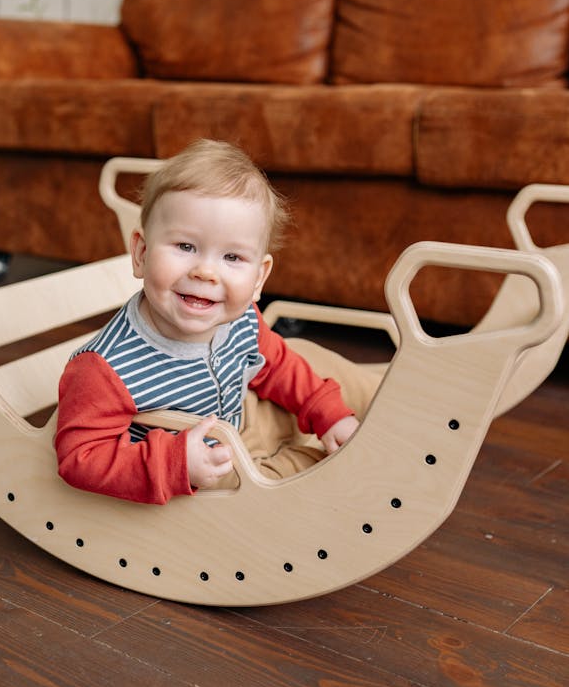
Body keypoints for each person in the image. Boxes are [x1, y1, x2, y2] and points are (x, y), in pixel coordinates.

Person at [55, 140, 382, 504]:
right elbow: (80, 456)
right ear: (141, 254)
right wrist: (177, 462)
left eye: (232, 256)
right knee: (256, 484)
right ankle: (323, 465)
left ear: (259, 278)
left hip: (246, 416)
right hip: (206, 462)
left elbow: (279, 366)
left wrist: (329, 414)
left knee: (299, 357)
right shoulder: (106, 368)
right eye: (185, 247)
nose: (206, 272)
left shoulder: (241, 318)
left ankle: (389, 400)